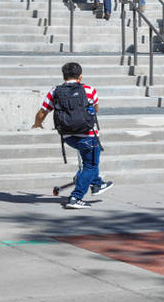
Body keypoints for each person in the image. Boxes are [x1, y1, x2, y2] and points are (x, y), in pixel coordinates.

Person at [34, 61, 111, 210]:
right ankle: (76, 197)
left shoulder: (55, 91)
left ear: (64, 76)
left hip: (68, 136)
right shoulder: (89, 90)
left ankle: (97, 184)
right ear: (80, 77)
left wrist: (37, 123)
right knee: (90, 165)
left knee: (89, 164)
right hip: (88, 135)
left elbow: (43, 112)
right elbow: (95, 109)